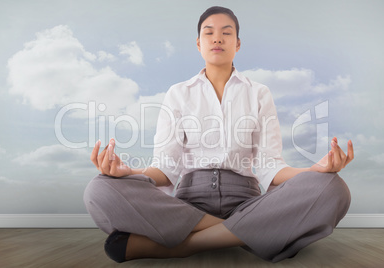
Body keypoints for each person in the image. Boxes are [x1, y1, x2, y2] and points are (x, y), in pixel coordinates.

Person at [84, 6, 354, 263]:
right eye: (208, 32)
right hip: (189, 205)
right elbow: (165, 169)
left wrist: (314, 170)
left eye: (227, 33)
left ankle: (183, 246)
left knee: (333, 188)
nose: (217, 38)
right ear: (198, 44)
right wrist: (127, 173)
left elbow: (270, 166)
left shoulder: (258, 93)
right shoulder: (179, 93)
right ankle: (255, 234)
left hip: (246, 202)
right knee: (99, 189)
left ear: (237, 44)